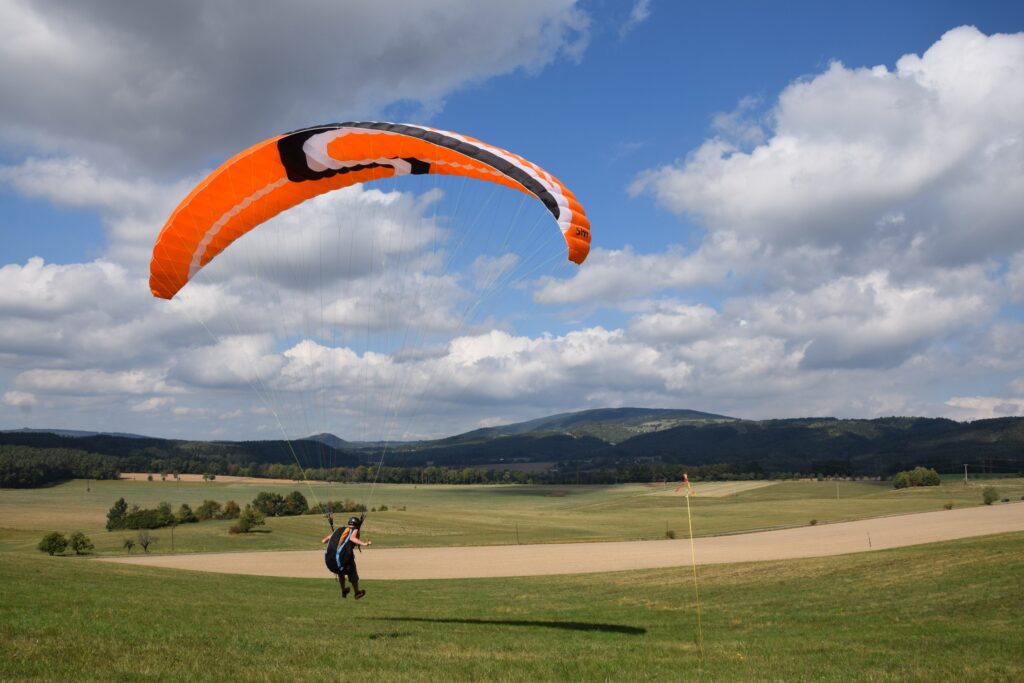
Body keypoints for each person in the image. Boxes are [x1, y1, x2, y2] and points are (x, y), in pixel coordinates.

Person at [322, 516, 372, 599]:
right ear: (357, 525)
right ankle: (356, 592)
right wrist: (364, 543)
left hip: (330, 563)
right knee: (352, 569)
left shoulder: (338, 530)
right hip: (342, 561)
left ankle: (343, 590)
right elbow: (352, 538)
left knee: (341, 570)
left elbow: (324, 541)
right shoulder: (354, 529)